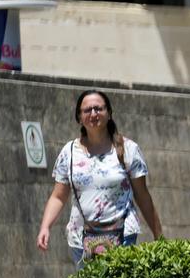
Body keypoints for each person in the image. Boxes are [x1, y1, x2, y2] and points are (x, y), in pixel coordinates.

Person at [37, 90, 163, 268]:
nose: (93, 114)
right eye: (87, 110)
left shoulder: (128, 149)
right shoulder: (70, 152)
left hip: (122, 235)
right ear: (79, 117)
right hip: (81, 238)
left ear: (109, 113)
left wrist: (158, 234)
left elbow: (143, 196)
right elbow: (58, 196)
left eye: (98, 109)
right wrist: (45, 227)